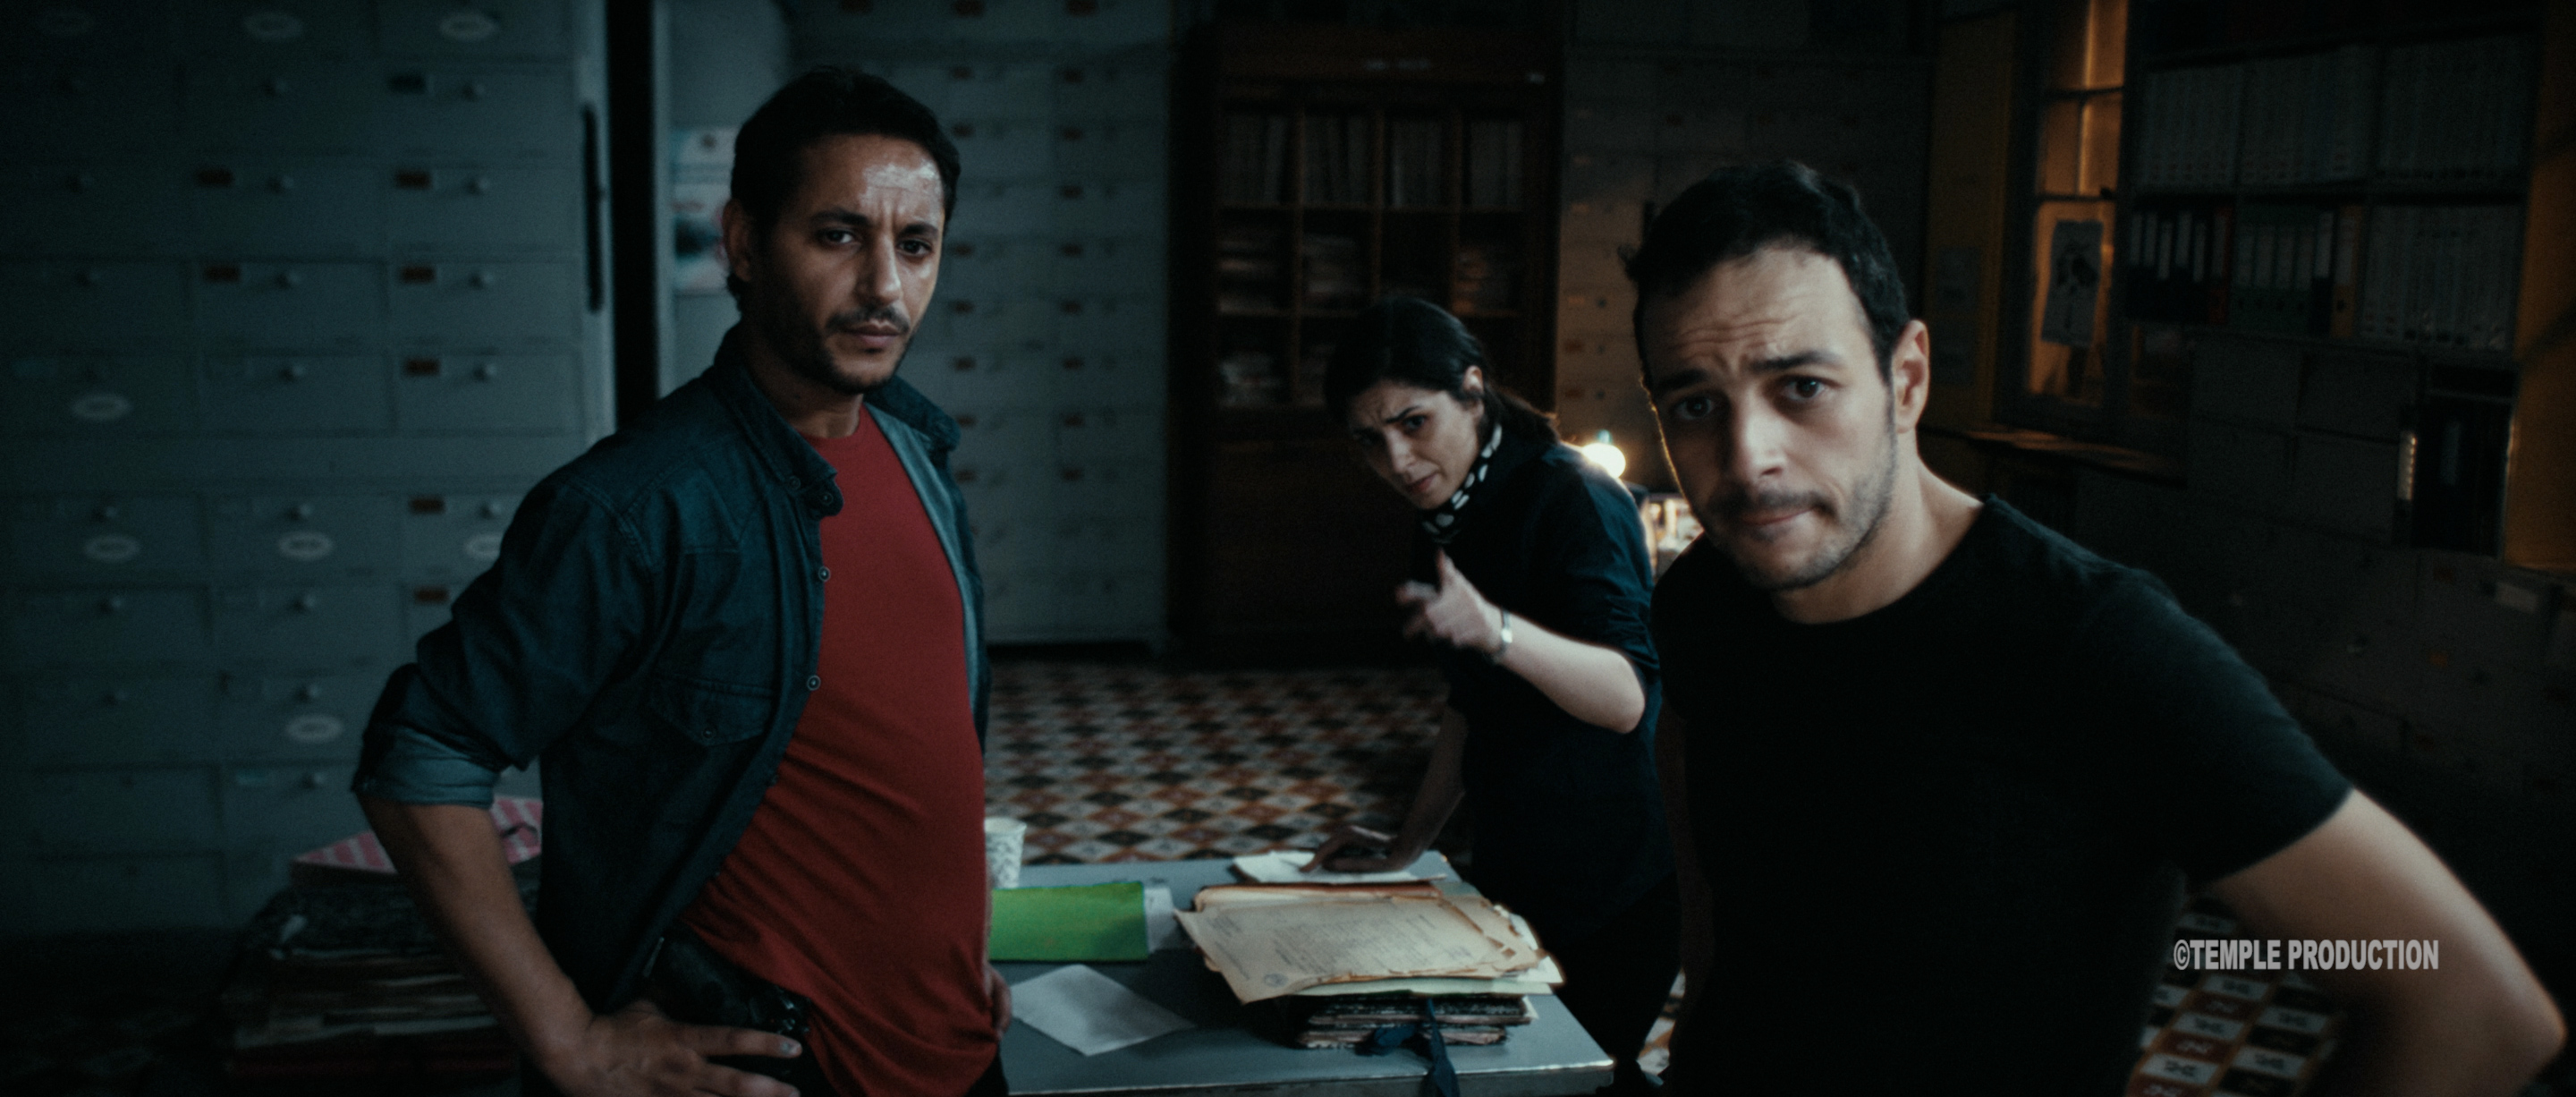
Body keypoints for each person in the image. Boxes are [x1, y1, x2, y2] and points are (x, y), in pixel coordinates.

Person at [1636, 161, 2564, 1093]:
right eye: (1697, 405)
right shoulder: (1708, 596)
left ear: (1906, 379)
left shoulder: (2095, 645)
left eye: (1801, 387)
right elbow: (1718, 881)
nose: (1749, 458)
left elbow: (2472, 1006)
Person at [352, 68, 1012, 1097]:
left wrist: (943, 946)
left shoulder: (917, 449)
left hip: (954, 1038)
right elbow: (421, 754)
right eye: (838, 235)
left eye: (915, 244)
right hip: (780, 1066)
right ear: (743, 242)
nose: (885, 285)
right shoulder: (636, 506)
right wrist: (569, 1040)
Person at [1309, 297, 1676, 1093]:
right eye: (1371, 440)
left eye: (1414, 423)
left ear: (1472, 391)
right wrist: (1410, 843)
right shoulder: (1448, 510)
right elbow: (1471, 704)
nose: (1397, 460)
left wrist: (1496, 629)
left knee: (1573, 1080)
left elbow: (1625, 699)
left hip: (1612, 880)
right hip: (1513, 863)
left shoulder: (1573, 495)